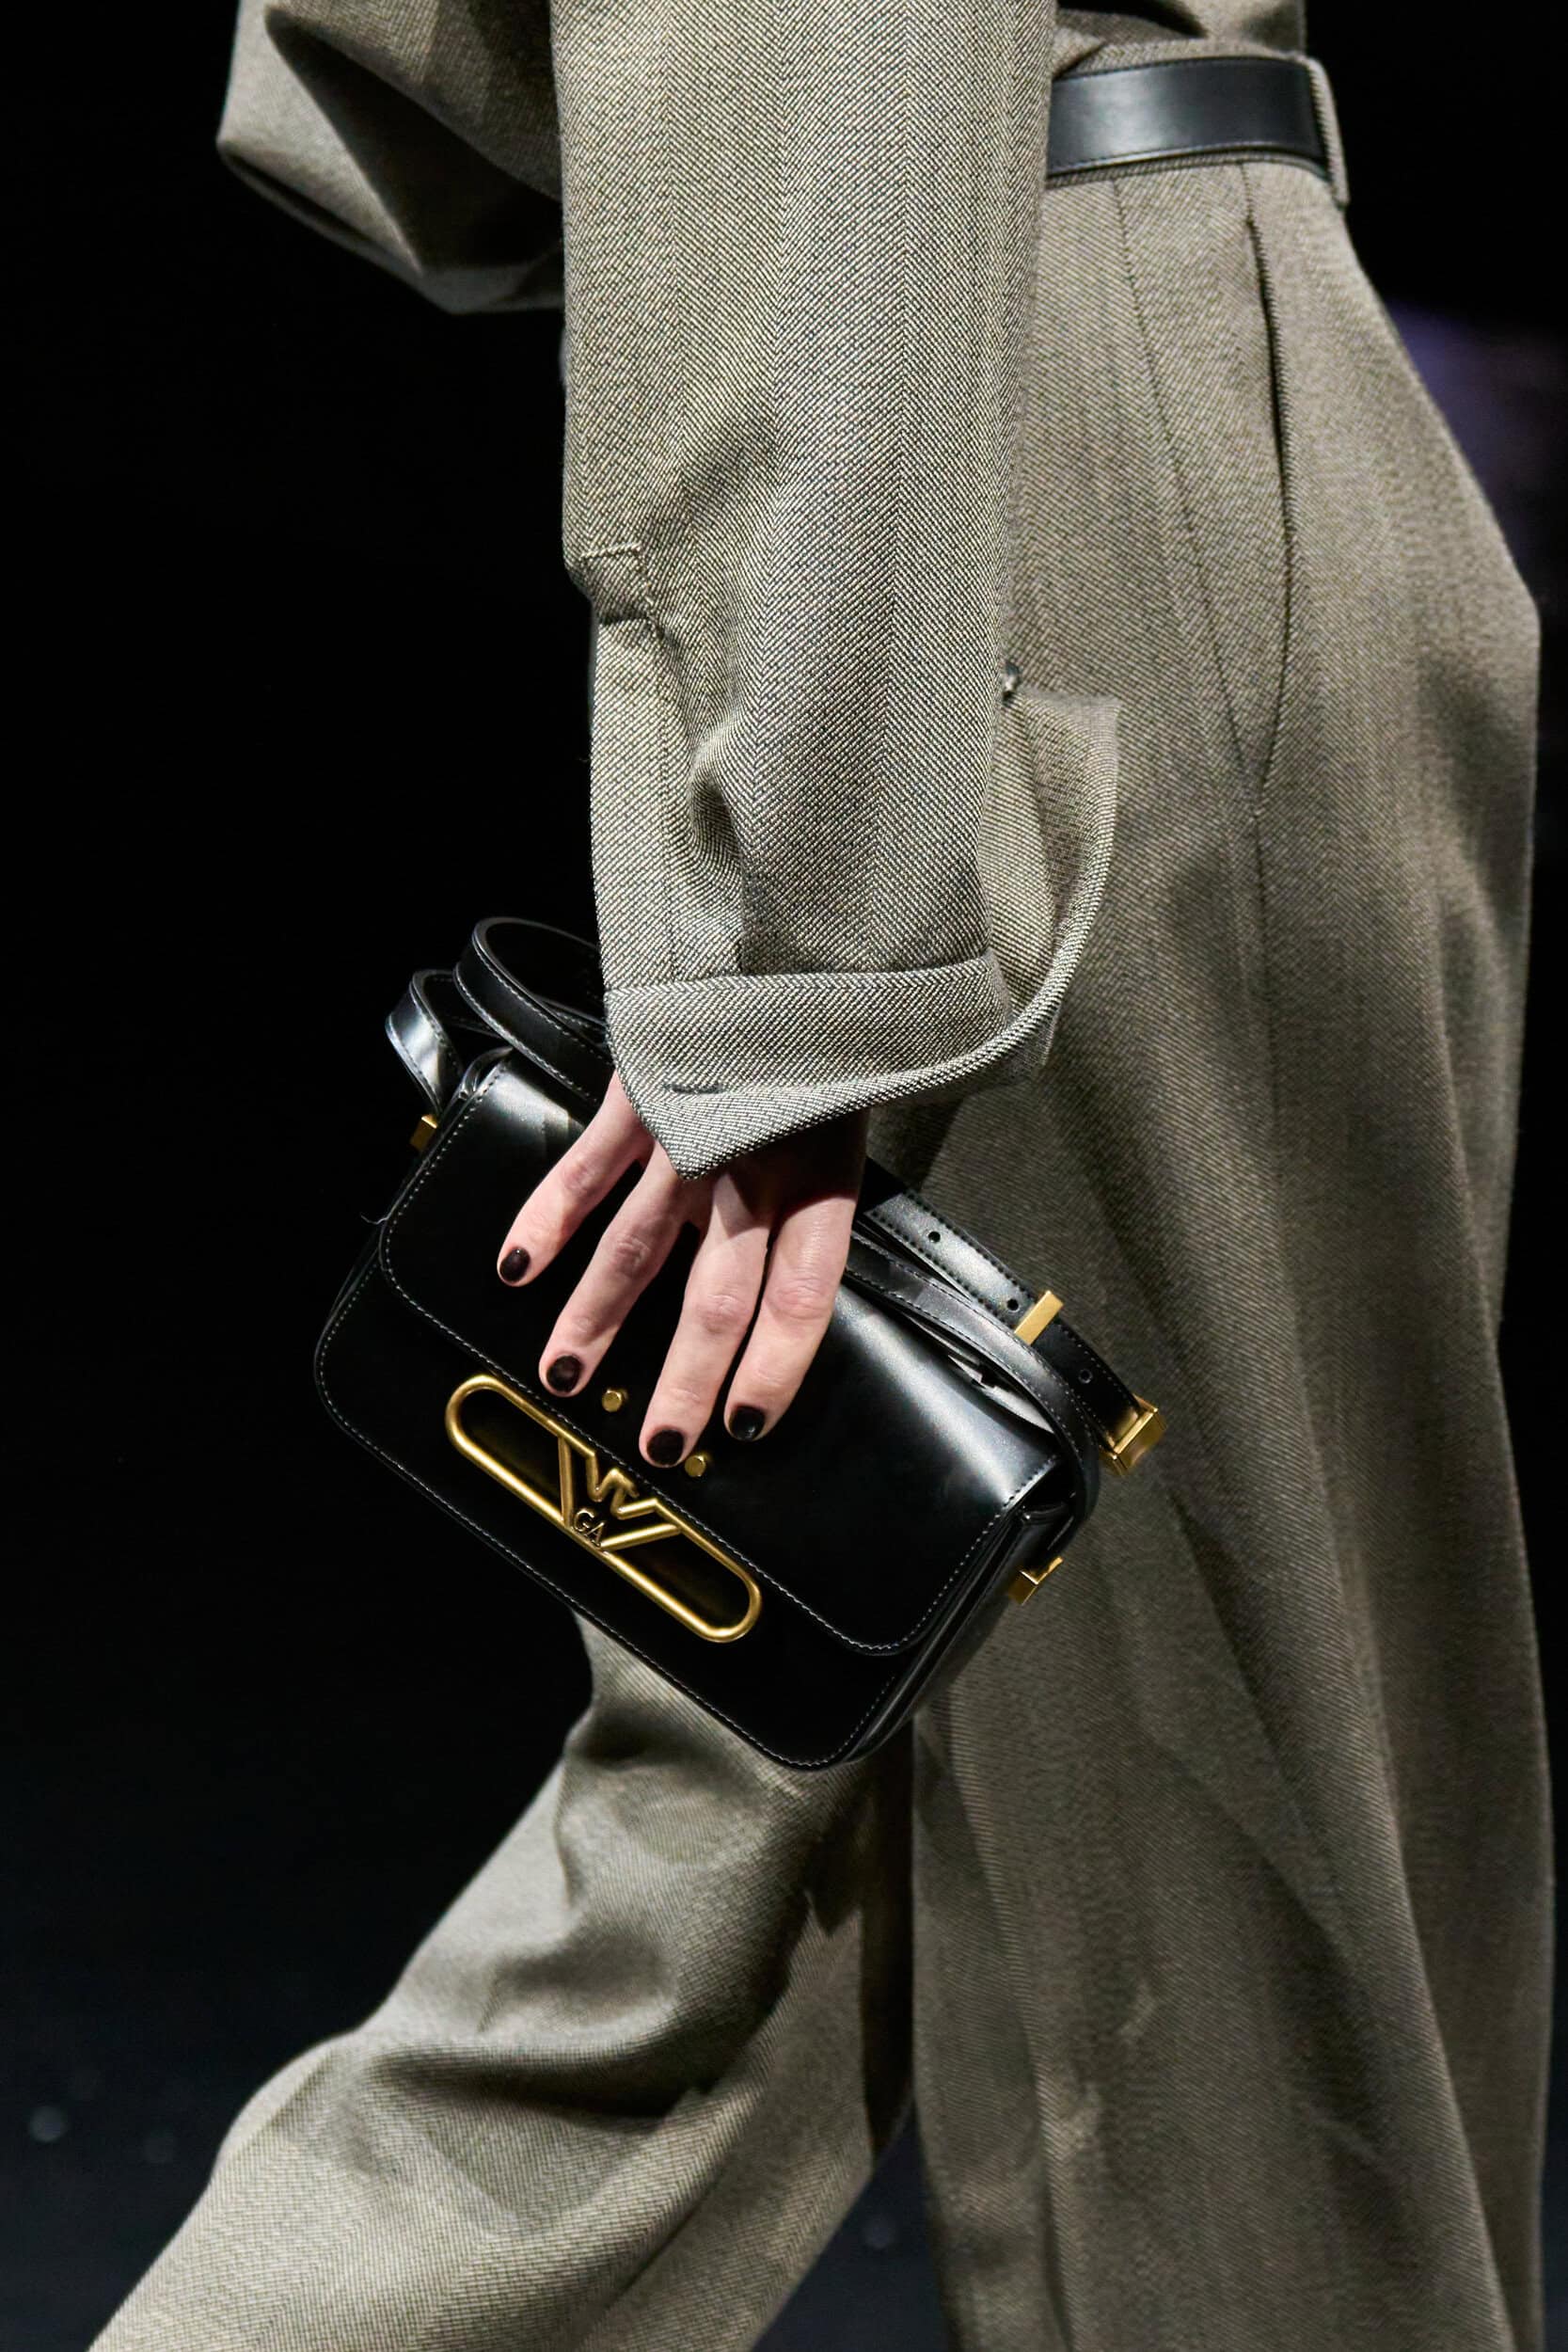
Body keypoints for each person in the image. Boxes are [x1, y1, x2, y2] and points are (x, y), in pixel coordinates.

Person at [92, 1, 1550, 2346]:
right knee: (1195, 1988)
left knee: (963, 1918)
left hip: (983, 449)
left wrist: (803, 944)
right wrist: (803, 953)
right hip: (1042, 448)